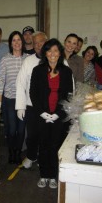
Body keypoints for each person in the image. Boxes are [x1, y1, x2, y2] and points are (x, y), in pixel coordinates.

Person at [30, 38, 73, 189]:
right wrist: (42, 113)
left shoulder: (66, 71)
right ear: (45, 53)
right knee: (43, 145)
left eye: (55, 50)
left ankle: (53, 175)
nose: (52, 54)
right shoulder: (37, 70)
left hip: (58, 116)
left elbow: (69, 95)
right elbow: (33, 93)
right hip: (42, 115)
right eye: (49, 50)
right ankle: (43, 175)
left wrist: (58, 114)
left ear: (60, 53)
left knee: (55, 145)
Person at [0, 31, 28, 164]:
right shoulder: (5, 59)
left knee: (21, 129)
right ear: (10, 43)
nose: (17, 42)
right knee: (12, 130)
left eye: (19, 40)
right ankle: (11, 152)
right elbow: (1, 80)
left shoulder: (28, 59)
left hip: (23, 100)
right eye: (14, 40)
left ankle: (18, 152)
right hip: (10, 99)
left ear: (22, 42)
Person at [15, 31, 48, 169]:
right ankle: (31, 156)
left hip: (49, 106)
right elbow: (20, 83)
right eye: (35, 43)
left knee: (46, 135)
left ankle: (44, 158)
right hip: (31, 105)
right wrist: (20, 106)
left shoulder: (56, 58)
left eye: (41, 42)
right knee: (32, 135)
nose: (39, 45)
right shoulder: (28, 61)